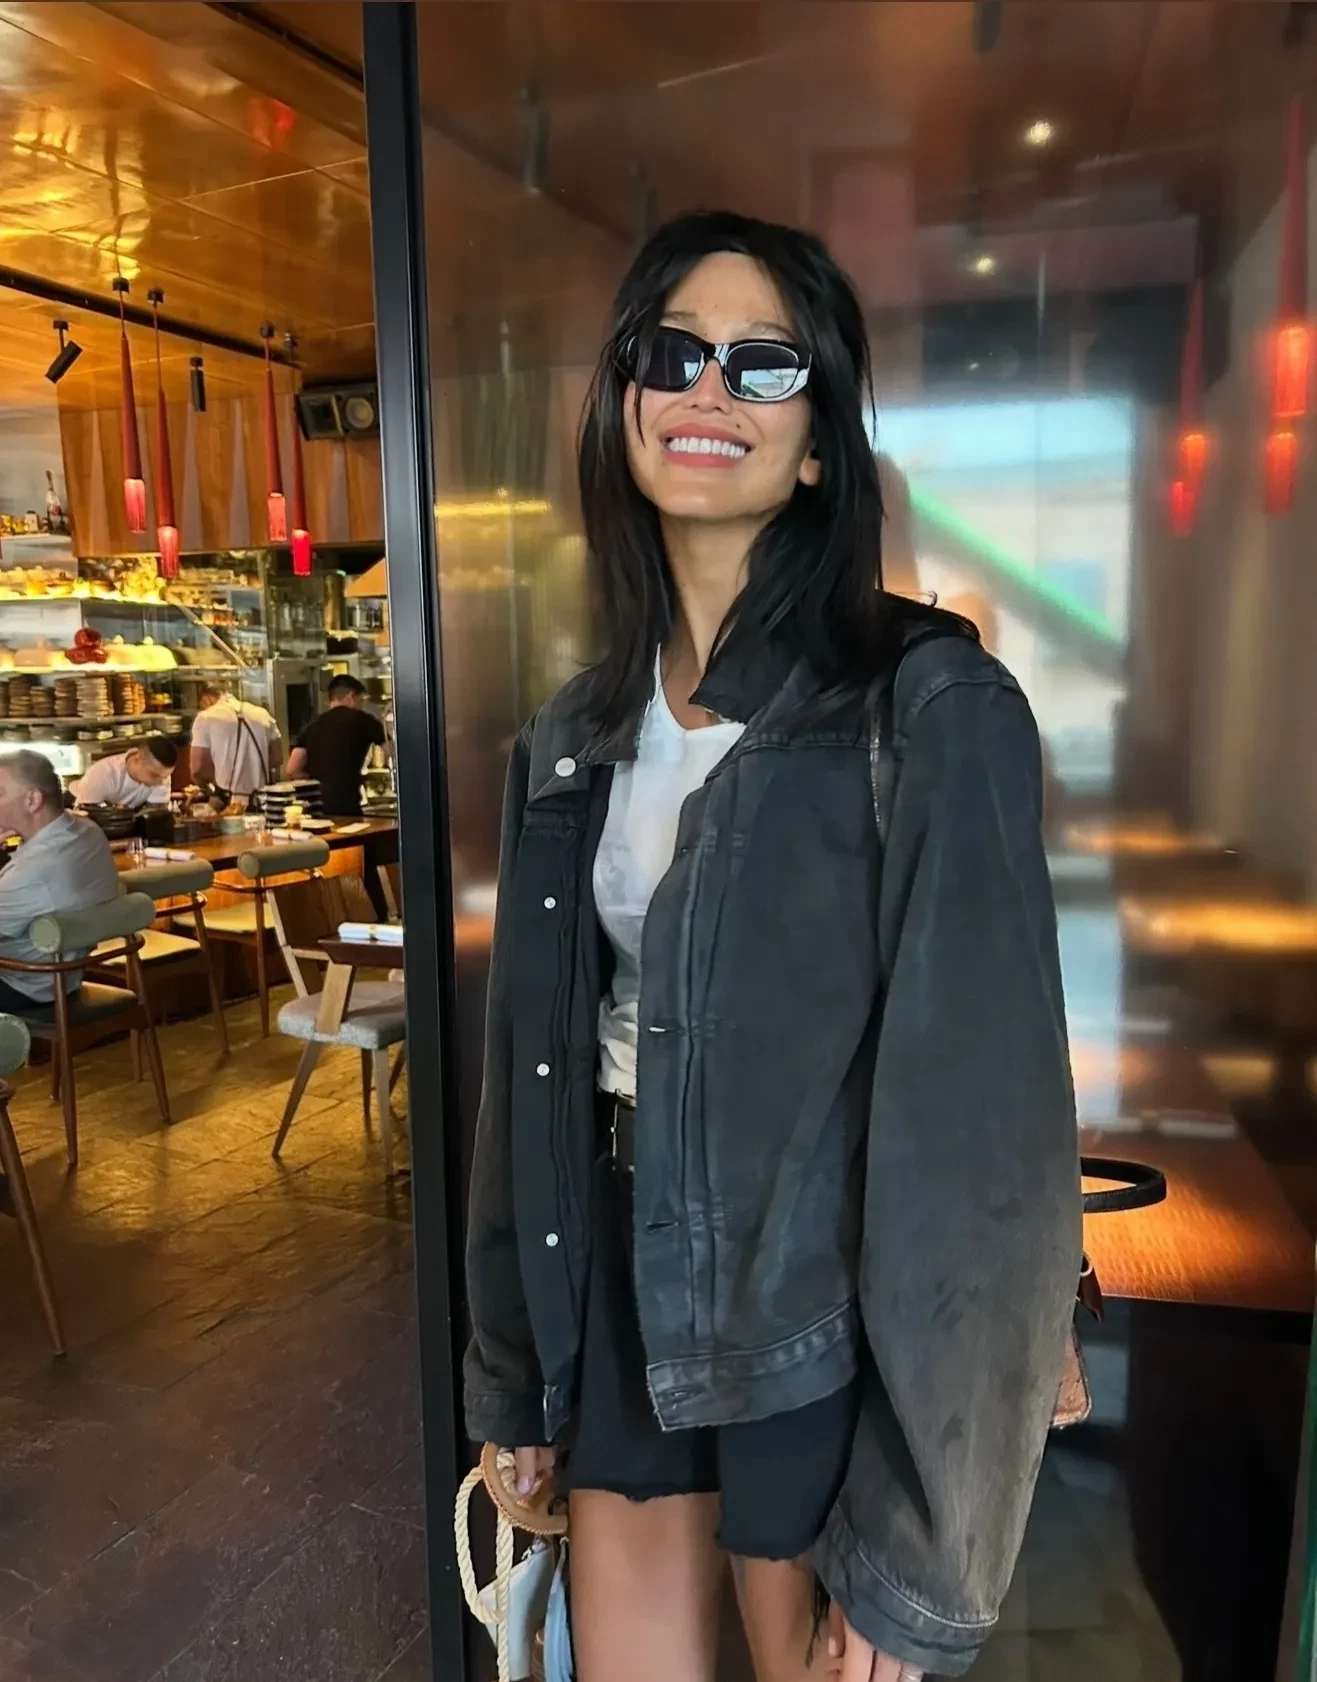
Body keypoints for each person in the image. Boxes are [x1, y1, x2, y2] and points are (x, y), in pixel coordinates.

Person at [463, 211, 1080, 1682]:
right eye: (673, 353)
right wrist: (515, 1364)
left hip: (824, 1312)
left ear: (817, 445)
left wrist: (925, 1541)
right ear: (623, 398)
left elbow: (983, 1135)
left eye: (764, 364)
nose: (708, 389)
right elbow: (530, 1077)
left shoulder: (927, 707)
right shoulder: (570, 735)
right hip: (623, 1284)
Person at [0, 751, 121, 1011]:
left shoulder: (32, 873)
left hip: (23, 985)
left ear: (32, 800)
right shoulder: (89, 832)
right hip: (65, 977)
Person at [284, 674, 387, 817]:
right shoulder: (365, 720)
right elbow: (393, 752)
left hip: (316, 809)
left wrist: (318, 781)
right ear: (351, 697)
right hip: (347, 805)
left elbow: (292, 769)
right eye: (361, 700)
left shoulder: (312, 725)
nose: (361, 705)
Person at [189, 686, 280, 805]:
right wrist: (253, 767)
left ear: (207, 699)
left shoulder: (205, 717)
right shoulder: (263, 714)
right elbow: (277, 757)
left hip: (228, 803)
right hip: (263, 801)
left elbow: (197, 769)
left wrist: (208, 788)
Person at [69, 736, 177, 810]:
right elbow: (83, 817)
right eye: (154, 775)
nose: (161, 782)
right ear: (136, 759)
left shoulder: (161, 776)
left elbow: (156, 815)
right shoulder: (102, 773)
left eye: (166, 776)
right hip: (77, 801)